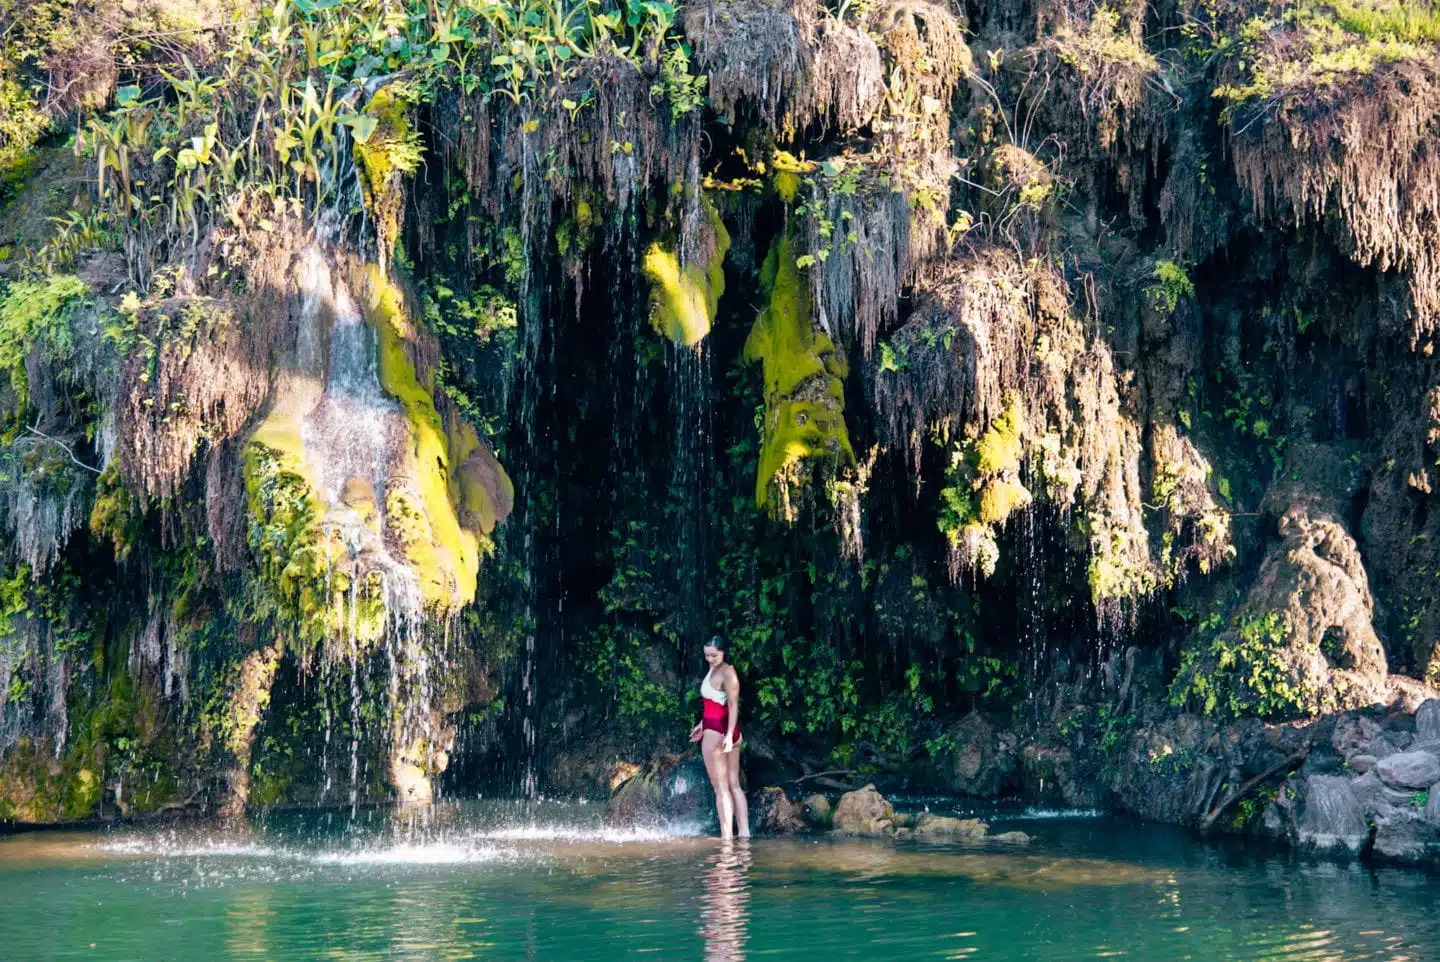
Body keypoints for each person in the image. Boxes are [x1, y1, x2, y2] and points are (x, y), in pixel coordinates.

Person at [689, 636, 750, 838]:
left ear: (724, 652)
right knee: (732, 784)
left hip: (720, 733)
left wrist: (729, 737)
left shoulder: (728, 673)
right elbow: (715, 704)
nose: (710, 659)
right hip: (717, 729)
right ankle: (743, 835)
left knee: (721, 786)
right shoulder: (713, 669)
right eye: (707, 655)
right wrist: (701, 724)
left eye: (714, 655)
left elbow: (733, 706)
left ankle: (727, 837)